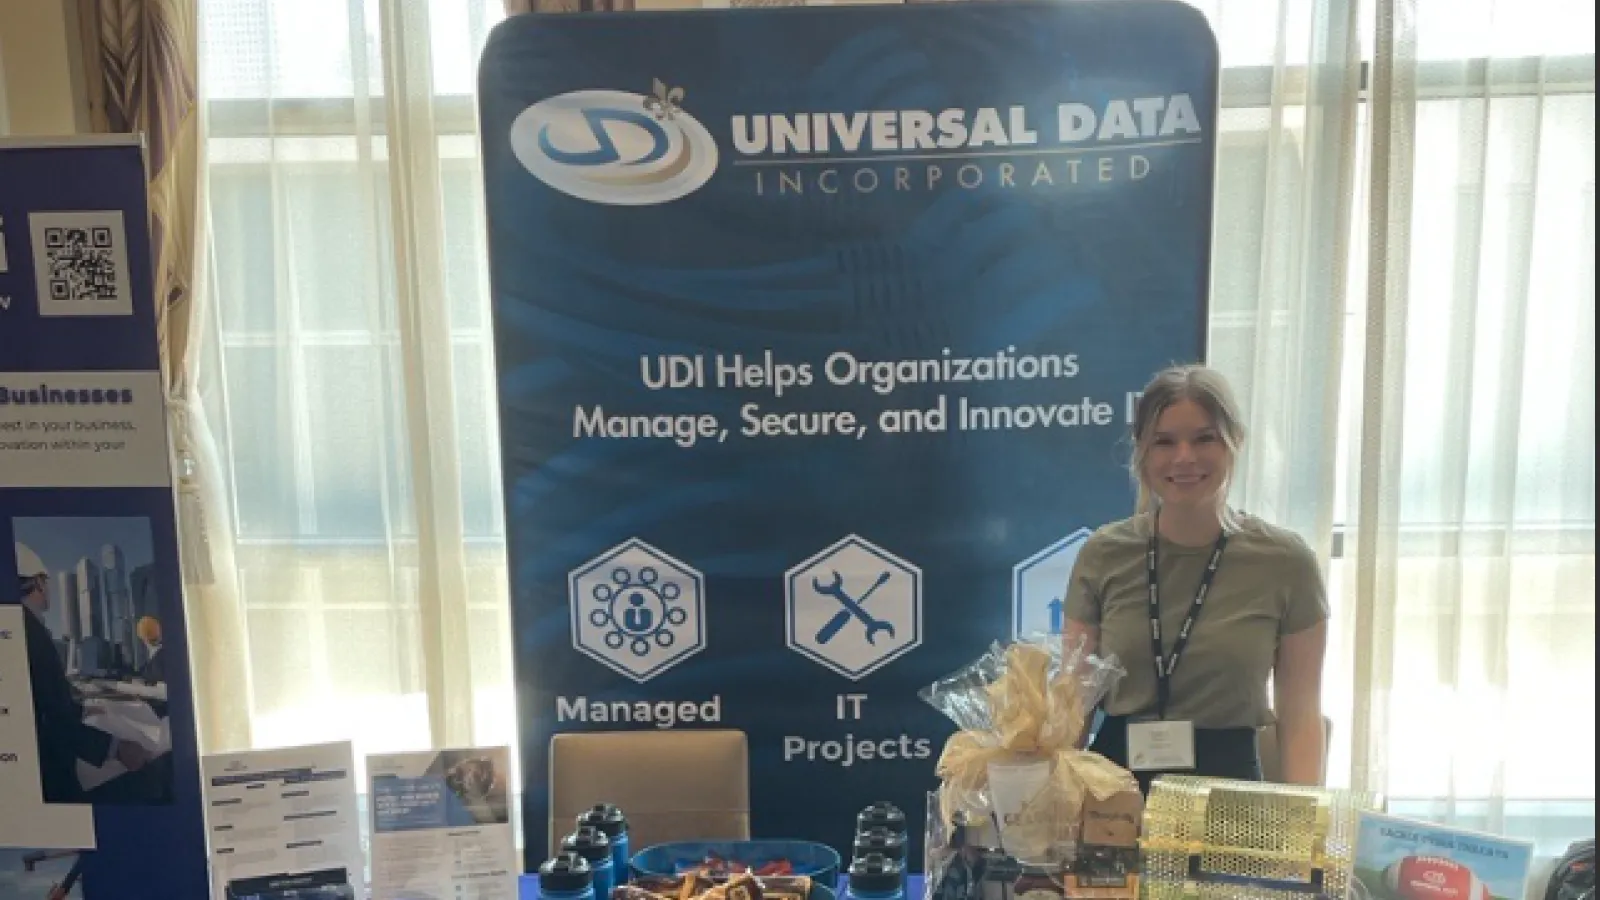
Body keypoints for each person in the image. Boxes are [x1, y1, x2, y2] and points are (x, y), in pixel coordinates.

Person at [1063, 365, 1328, 791]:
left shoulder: (1286, 562)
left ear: (1234, 442)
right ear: (1142, 453)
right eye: (1164, 442)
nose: (1184, 457)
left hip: (1230, 797)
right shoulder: (1103, 553)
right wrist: (1050, 821)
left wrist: (1302, 838)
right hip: (1112, 797)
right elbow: (1073, 706)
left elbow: (1300, 715)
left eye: (1204, 438)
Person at [14, 544, 149, 804]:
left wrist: (80, 709)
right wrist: (116, 748)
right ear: (39, 583)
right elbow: (48, 718)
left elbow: (37, 701)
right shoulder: (30, 632)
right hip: (51, 777)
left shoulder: (22, 629)